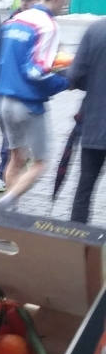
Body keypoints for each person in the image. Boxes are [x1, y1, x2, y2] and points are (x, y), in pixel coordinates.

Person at [0, 0, 70, 211]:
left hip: (4, 100)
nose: (65, 5)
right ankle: (6, 202)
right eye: (65, 0)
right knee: (40, 163)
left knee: (16, 160)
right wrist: (68, 81)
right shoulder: (49, 26)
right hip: (29, 104)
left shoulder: (14, 21)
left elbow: (0, 60)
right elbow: (37, 72)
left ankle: (10, 218)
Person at [0, 0, 42, 191]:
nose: (26, 3)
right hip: (5, 90)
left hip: (29, 93)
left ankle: (9, 171)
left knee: (15, 138)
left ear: (40, 0)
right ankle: (6, 173)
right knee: (10, 137)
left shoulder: (43, 26)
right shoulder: (10, 23)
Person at [69, 17, 106, 223]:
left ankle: (77, 242)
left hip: (97, 121)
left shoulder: (96, 30)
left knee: (85, 187)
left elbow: (76, 74)